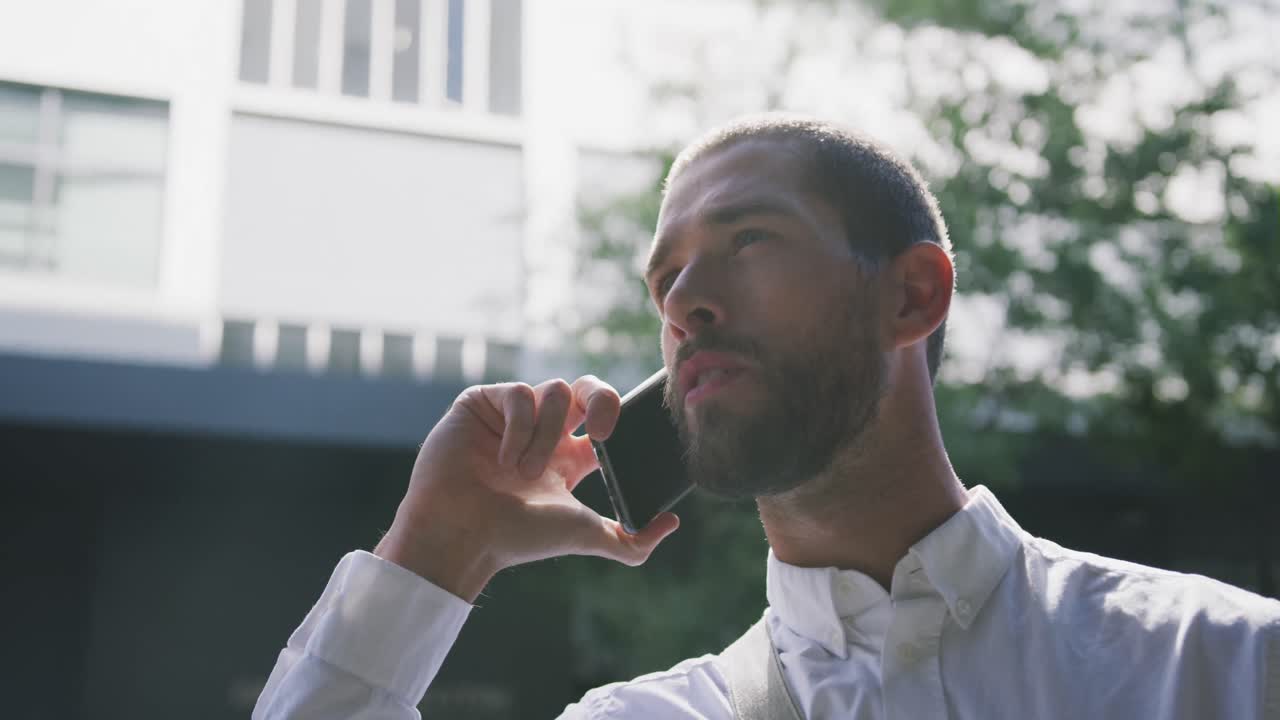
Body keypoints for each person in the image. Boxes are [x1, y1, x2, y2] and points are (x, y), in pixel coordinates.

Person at [253, 114, 1280, 719]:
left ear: (912, 297)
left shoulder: (1217, 668)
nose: (682, 300)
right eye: (664, 276)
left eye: (746, 240)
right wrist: (432, 557)